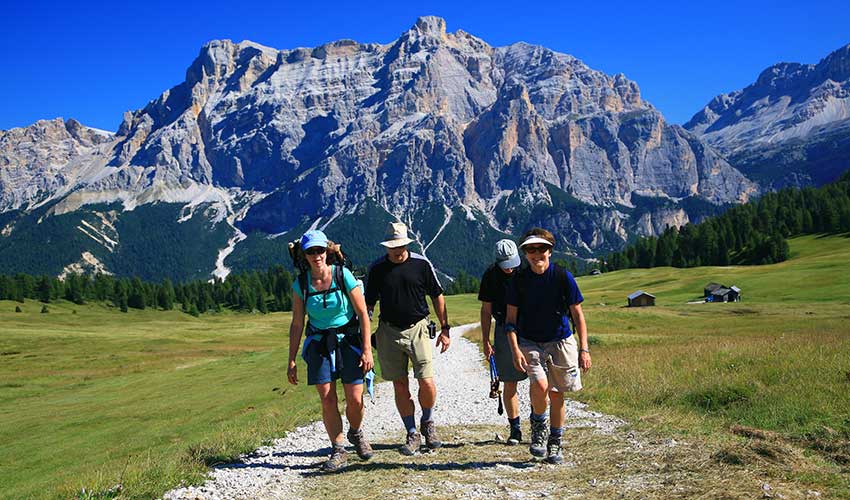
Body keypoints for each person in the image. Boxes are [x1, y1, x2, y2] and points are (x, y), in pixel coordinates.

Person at [287, 230, 374, 472]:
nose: (316, 255)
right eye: (311, 251)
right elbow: (296, 324)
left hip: (348, 341)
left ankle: (356, 433)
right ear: (303, 256)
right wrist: (291, 360)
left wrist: (367, 350)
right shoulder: (301, 285)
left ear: (327, 251)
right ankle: (338, 449)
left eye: (320, 250)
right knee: (327, 398)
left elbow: (363, 315)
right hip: (319, 343)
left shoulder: (342, 275)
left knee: (355, 399)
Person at [504, 228, 592, 464]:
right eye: (530, 249)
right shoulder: (518, 280)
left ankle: (555, 441)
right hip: (530, 341)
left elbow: (578, 316)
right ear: (524, 254)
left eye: (541, 248)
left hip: (561, 340)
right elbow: (510, 321)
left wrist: (584, 349)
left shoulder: (563, 277)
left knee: (557, 393)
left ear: (550, 251)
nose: (536, 253)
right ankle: (539, 430)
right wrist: (514, 349)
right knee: (540, 384)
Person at [365, 221, 451, 455]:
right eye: (393, 246)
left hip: (419, 328)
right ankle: (412, 432)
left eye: (401, 245)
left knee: (427, 381)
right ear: (387, 247)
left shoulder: (421, 264)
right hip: (389, 330)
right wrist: (364, 337)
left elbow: (437, 296)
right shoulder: (377, 269)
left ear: (407, 244)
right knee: (400, 384)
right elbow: (368, 305)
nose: (398, 250)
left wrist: (445, 328)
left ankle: (428, 422)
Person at [478, 239, 527, 445]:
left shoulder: (526, 270)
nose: (510, 269)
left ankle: (539, 422)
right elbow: (486, 310)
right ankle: (515, 428)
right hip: (502, 329)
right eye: (505, 265)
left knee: (540, 380)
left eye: (512, 264)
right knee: (510, 381)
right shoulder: (490, 275)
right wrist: (486, 341)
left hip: (530, 327)